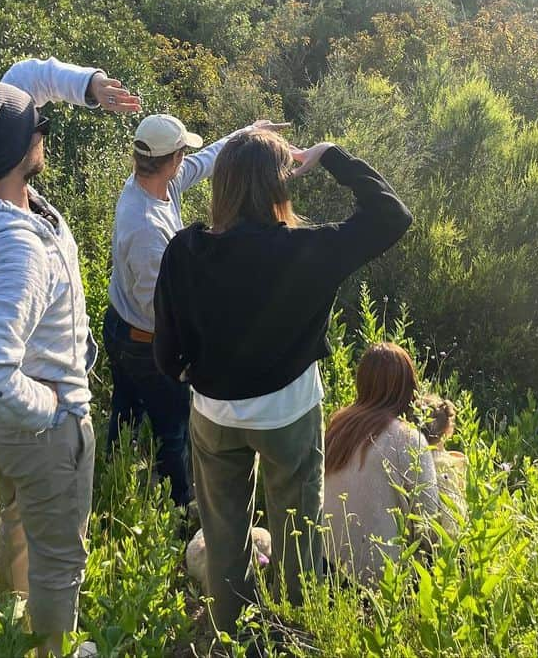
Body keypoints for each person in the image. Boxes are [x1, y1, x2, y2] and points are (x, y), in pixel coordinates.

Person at [152, 131, 413, 636]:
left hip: (214, 414)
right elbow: (391, 215)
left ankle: (234, 632)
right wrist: (331, 157)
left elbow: (166, 347)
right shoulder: (309, 249)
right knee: (297, 531)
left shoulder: (186, 249)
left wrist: (188, 374)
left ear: (222, 184)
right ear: (279, 185)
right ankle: (293, 630)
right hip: (288, 413)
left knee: (225, 534)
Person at [0, 56, 140, 658]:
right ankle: (54, 648)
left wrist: (87, 86)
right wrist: (53, 411)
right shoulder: (18, 253)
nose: (42, 133)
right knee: (60, 556)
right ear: (18, 154)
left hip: (6, 426)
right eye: (35, 133)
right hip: (42, 424)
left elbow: (20, 82)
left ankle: (11, 613)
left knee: (20, 517)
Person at [105, 114, 287, 508]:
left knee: (126, 412)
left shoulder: (152, 184)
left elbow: (205, 161)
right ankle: (179, 506)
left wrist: (248, 133)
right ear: (169, 160)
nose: (185, 160)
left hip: (123, 324)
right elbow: (157, 307)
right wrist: (195, 348)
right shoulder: (147, 229)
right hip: (142, 340)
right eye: (181, 154)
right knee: (172, 430)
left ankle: (114, 479)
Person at [322, 344, 449, 584]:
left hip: (326, 567)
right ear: (407, 388)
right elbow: (428, 523)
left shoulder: (337, 426)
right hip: (381, 581)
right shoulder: (407, 438)